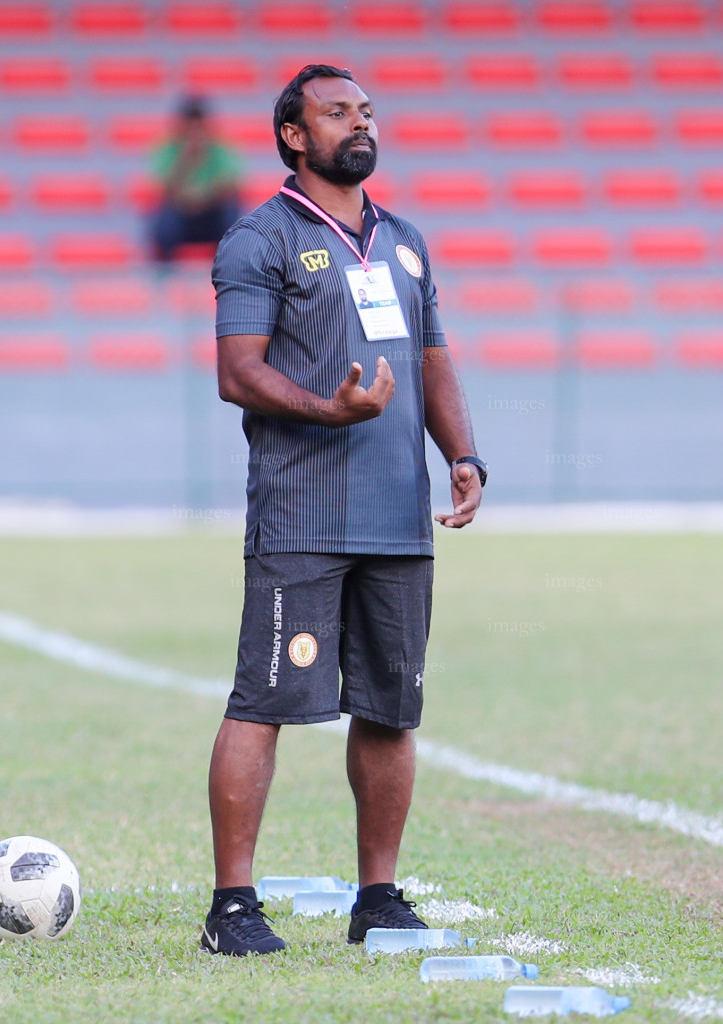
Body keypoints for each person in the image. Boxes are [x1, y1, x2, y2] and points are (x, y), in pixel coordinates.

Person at [200, 64, 487, 956]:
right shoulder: (260, 239)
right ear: (293, 134)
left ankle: (380, 897)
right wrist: (332, 409)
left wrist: (463, 455)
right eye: (337, 113)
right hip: (302, 519)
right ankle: (233, 907)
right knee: (266, 702)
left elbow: (434, 360)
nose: (359, 125)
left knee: (392, 710)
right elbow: (235, 373)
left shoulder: (404, 241)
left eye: (365, 111)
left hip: (397, 520)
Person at [147, 97, 241, 263]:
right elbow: (164, 189)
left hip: (211, 213)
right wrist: (184, 161)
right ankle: (163, 276)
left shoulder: (218, 149)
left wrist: (200, 197)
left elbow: (229, 185)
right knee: (162, 222)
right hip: (181, 214)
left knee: (232, 215)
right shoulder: (170, 149)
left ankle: (231, 268)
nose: (194, 131)